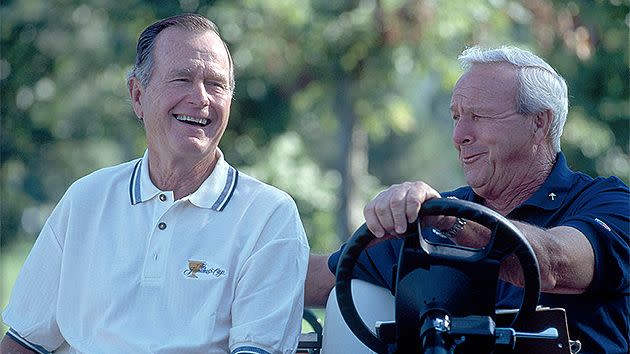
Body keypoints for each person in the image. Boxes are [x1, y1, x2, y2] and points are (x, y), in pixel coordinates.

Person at [1, 14, 310, 354]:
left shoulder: (269, 217)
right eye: (182, 78)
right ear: (137, 96)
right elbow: (23, 342)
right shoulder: (85, 200)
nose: (201, 98)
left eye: (216, 84)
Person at [305, 46, 629, 353]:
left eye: (480, 116)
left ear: (539, 122)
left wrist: (450, 222)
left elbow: (553, 264)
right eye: (456, 117)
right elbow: (319, 277)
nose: (459, 136)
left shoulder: (610, 203)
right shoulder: (430, 221)